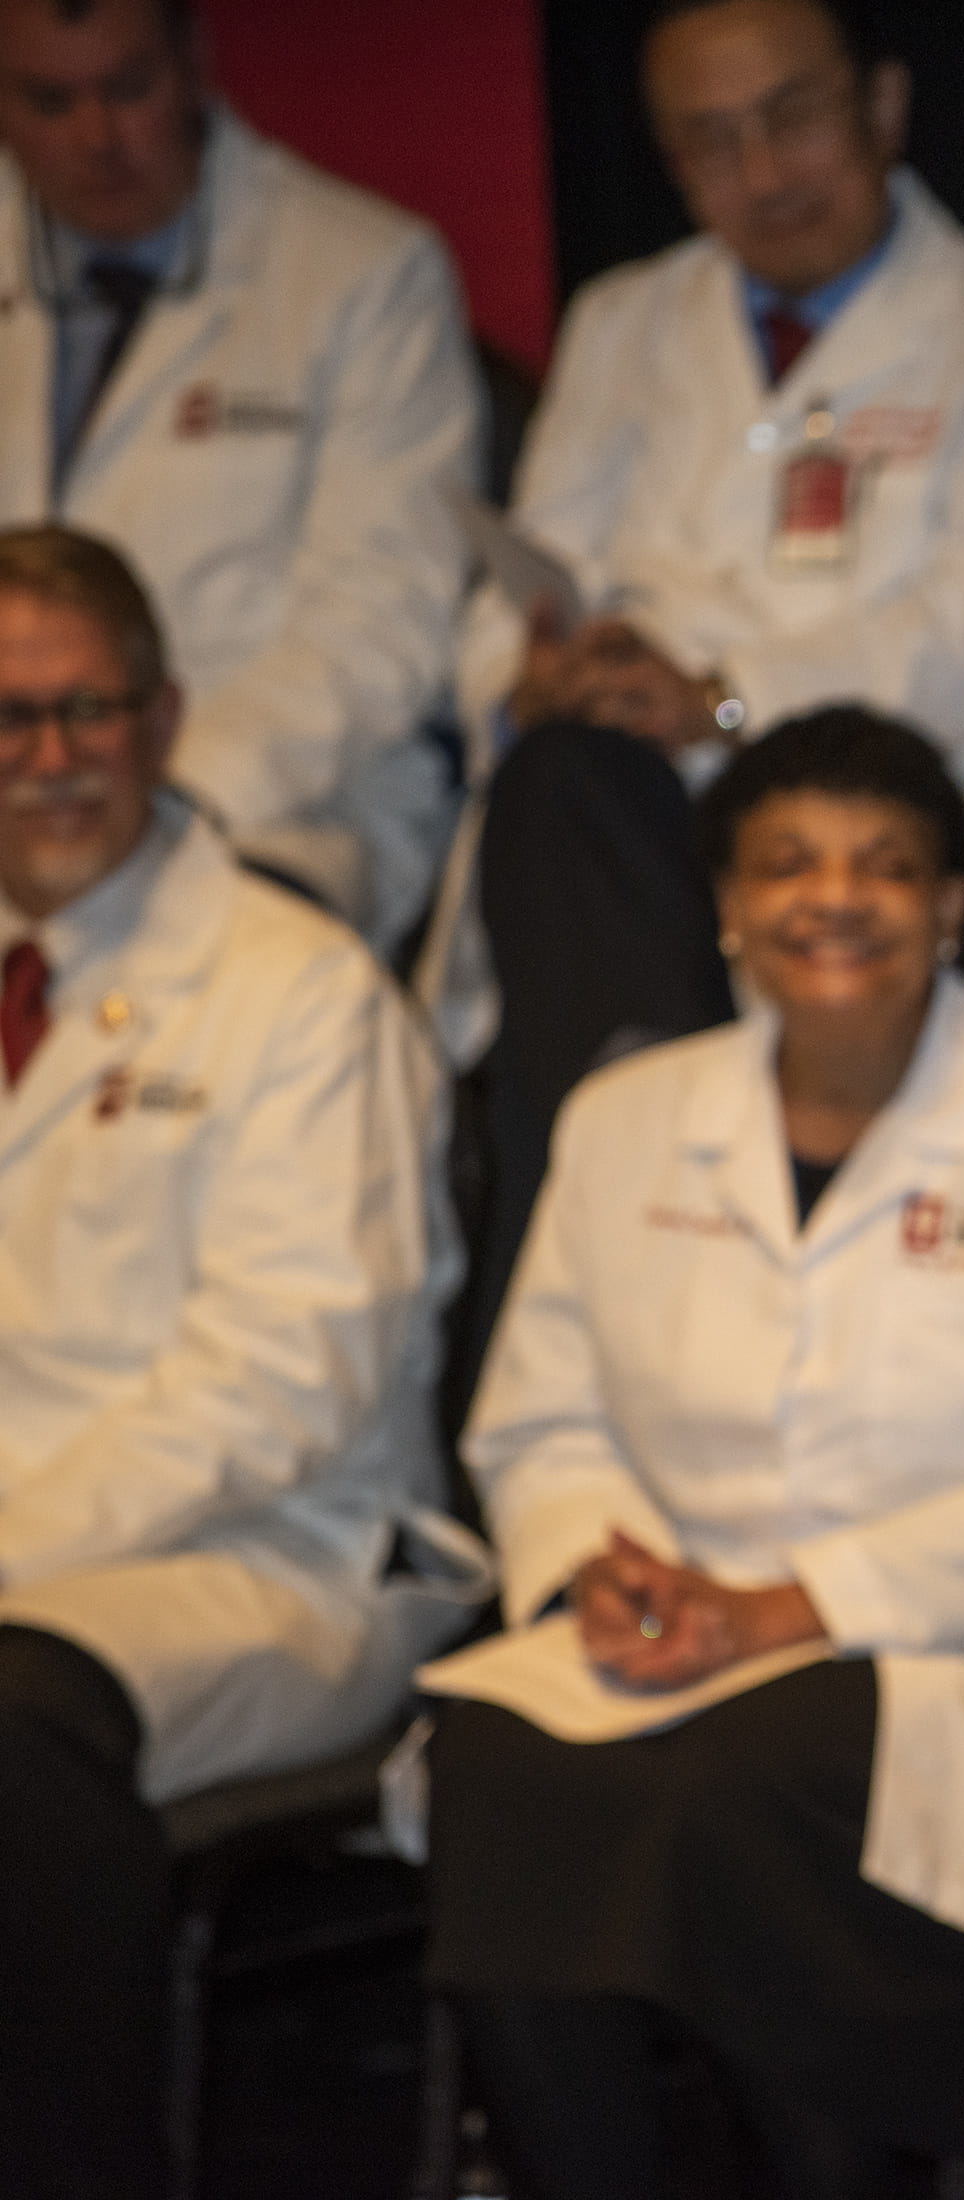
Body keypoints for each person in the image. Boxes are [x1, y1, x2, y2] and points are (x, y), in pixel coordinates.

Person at [430, 709, 964, 2198]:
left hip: (958, 1644)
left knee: (750, 1784)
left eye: (884, 866)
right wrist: (600, 1571)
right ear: (725, 903)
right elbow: (539, 1418)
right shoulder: (625, 1117)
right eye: (786, 863)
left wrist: (785, 1608)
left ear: (951, 904)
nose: (833, 898)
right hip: (668, 1628)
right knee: (494, 1760)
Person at [447, 0, 964, 1393]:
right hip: (617, 802)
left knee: (600, 932)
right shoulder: (624, 320)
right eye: (710, 144)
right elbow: (522, 581)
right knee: (559, 789)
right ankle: (584, 1353)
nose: (763, 174)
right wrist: (538, 668)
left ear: (881, 107)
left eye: (791, 120)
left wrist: (721, 700)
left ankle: (648, 1300)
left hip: (852, 795)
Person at [0, 526, 469, 2200]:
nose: (55, 758)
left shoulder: (302, 993)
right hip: (38, 1555)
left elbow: (279, 1385)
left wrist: (12, 1548)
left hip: (264, 1561)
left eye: (92, 711)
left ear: (166, 717)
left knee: (11, 1722)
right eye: (12, 719)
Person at [0, 0, 478, 954]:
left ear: (196, 62)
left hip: (270, 800)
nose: (97, 138)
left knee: (189, 965)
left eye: (128, 89)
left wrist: (157, 789)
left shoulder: (364, 272)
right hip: (22, 786)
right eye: (50, 101)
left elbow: (380, 618)